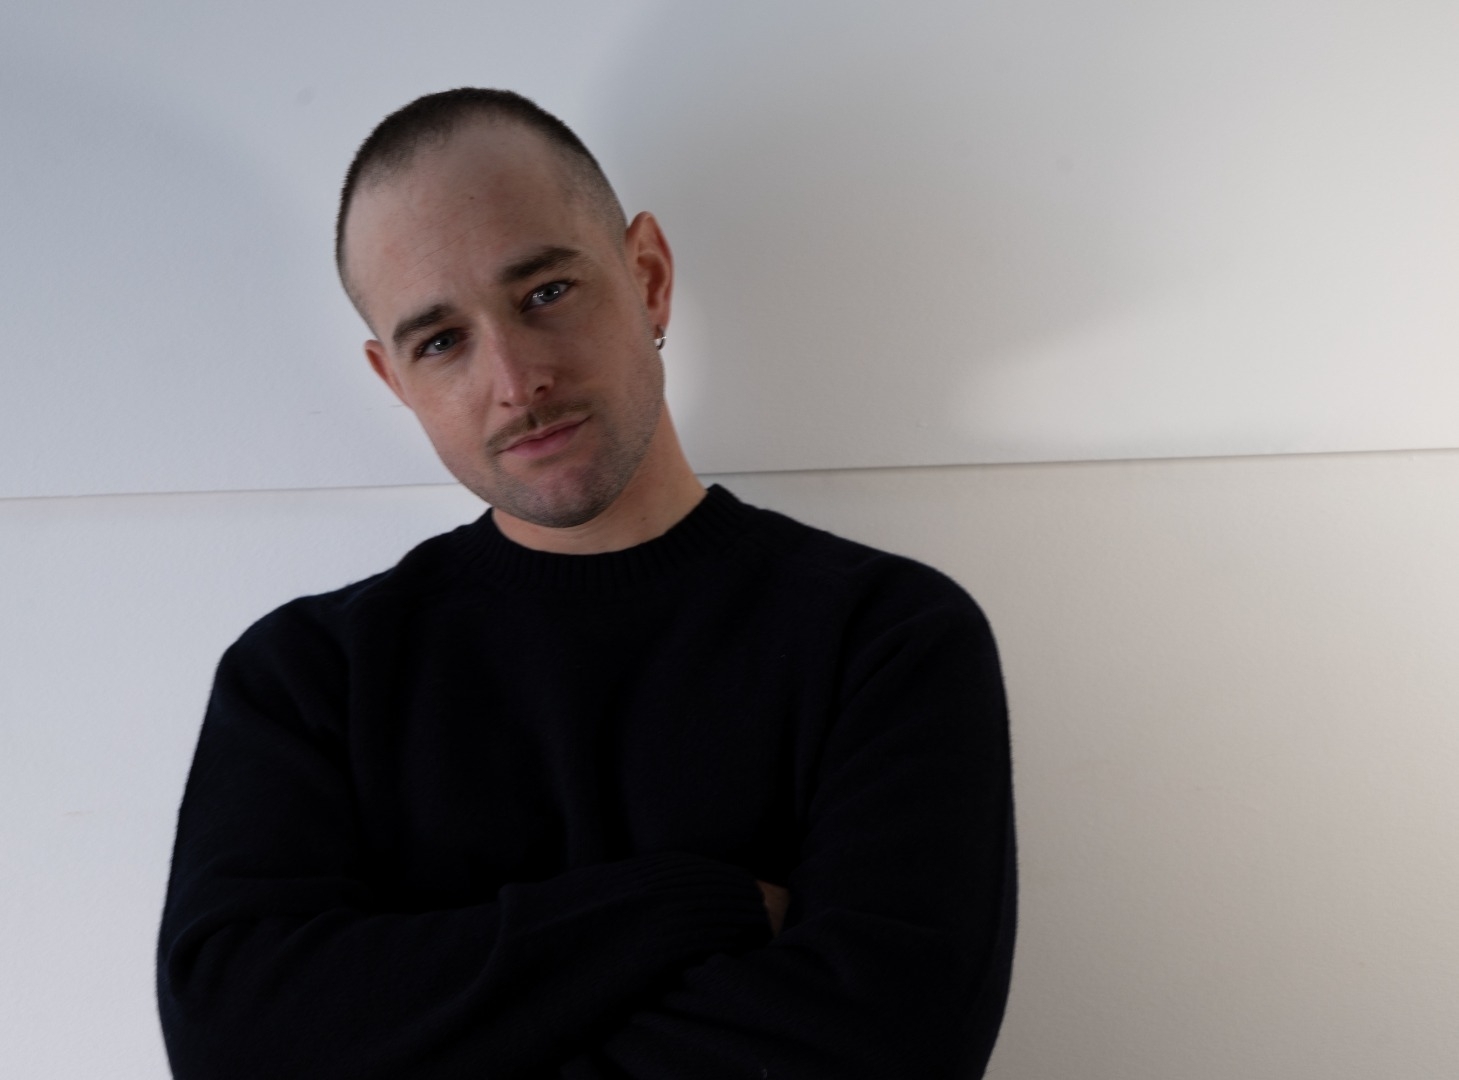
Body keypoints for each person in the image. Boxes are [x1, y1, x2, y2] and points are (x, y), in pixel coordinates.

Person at [156, 87, 1016, 1079]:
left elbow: (890, 1047)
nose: (515, 380)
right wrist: (688, 907)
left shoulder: (886, 637)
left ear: (647, 277)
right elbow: (234, 1044)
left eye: (545, 294)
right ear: (394, 380)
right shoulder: (305, 678)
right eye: (441, 341)